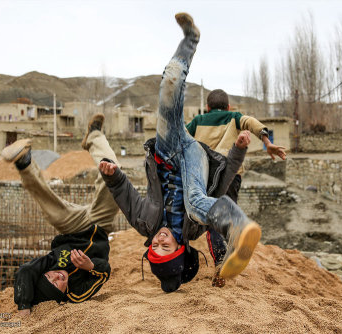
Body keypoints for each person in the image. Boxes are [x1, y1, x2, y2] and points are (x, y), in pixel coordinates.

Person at [99, 13, 261, 293]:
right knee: (197, 203)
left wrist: (113, 177)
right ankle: (237, 225)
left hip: (166, 151)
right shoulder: (193, 229)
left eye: (156, 246)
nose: (160, 240)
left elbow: (124, 195)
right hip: (192, 158)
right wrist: (238, 151)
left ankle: (190, 39)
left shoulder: (143, 223)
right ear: (180, 249)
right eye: (166, 247)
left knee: (169, 85)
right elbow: (220, 185)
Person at [1, 114, 120, 316]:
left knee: (52, 211)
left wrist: (24, 308)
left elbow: (25, 271)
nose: (59, 277)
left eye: (51, 278)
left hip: (72, 227)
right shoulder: (76, 294)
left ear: (45, 274)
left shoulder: (50, 264)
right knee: (114, 175)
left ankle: (25, 164)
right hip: (101, 226)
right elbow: (104, 273)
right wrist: (90, 266)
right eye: (59, 285)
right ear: (62, 297)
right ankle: (95, 136)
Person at [186, 89, 286, 202]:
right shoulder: (234, 117)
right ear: (228, 107)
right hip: (230, 177)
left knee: (203, 212)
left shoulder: (198, 120)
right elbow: (250, 121)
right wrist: (267, 142)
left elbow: (181, 135)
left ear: (207, 107)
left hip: (203, 177)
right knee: (228, 214)